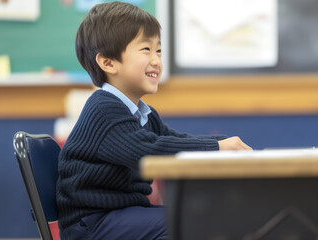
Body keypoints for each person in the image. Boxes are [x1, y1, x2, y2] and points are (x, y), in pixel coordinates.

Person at [56, 1, 252, 239]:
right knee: (189, 223)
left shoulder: (142, 113)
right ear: (108, 62)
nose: (157, 60)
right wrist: (216, 147)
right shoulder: (103, 108)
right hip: (91, 223)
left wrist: (222, 143)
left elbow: (174, 140)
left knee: (199, 218)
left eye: (158, 50)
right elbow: (147, 150)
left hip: (121, 214)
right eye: (145, 50)